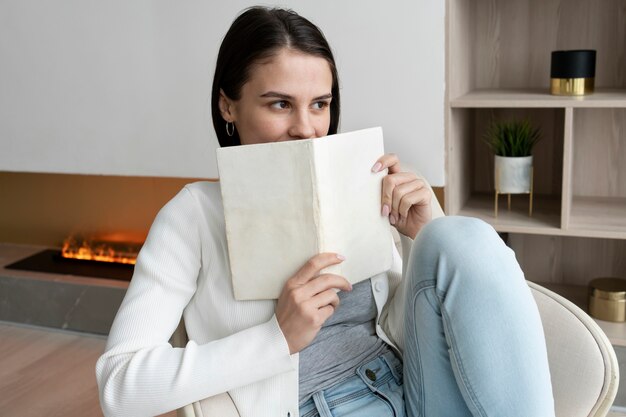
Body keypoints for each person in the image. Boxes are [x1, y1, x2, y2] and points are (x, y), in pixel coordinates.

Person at [96, 6, 555, 417]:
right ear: (227, 106)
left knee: (461, 235)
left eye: (320, 104)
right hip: (314, 406)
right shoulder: (191, 216)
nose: (307, 129)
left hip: (414, 389)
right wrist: (276, 337)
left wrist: (422, 231)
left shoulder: (356, 185)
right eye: (280, 104)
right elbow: (119, 387)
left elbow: (407, 322)